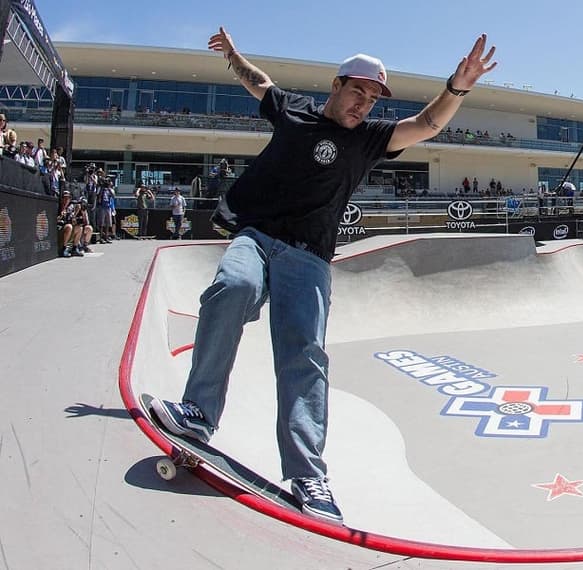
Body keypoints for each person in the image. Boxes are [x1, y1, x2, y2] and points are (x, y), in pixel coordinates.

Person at [148, 26, 497, 522]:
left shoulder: (370, 140)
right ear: (336, 86)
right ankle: (198, 414)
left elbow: (427, 125)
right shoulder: (293, 112)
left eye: (373, 99)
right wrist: (233, 55)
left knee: (304, 355)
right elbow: (257, 81)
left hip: (309, 258)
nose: (364, 106)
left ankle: (308, 473)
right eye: (358, 92)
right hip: (256, 237)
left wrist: (457, 88)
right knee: (233, 287)